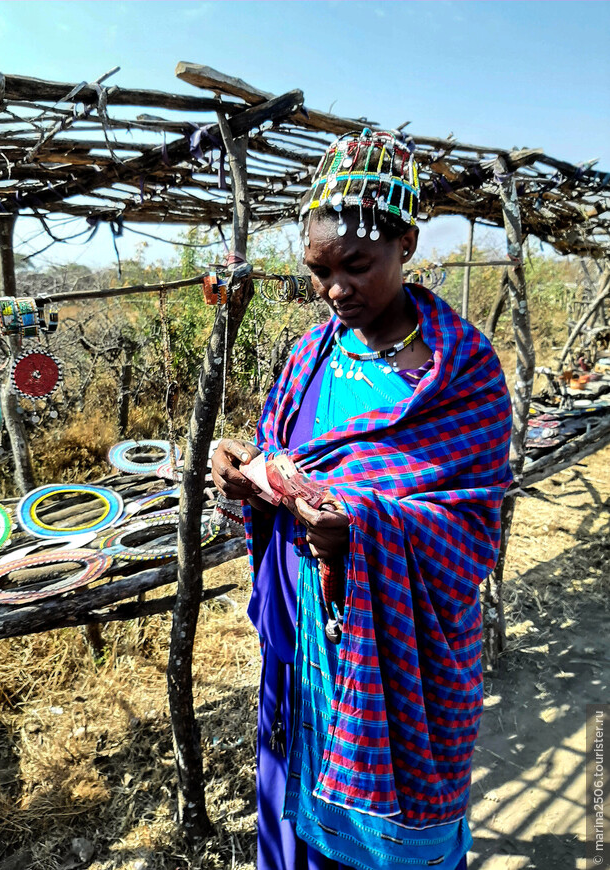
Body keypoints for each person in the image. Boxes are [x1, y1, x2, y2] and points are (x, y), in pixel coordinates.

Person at [212, 128, 513, 870]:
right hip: (303, 628)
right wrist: (242, 470)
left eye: (356, 266)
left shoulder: (458, 371)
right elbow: (280, 452)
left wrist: (361, 528)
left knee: (384, 830)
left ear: (405, 243)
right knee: (295, 788)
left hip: (398, 645)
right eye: (318, 272)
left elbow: (473, 519)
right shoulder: (309, 353)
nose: (335, 290)